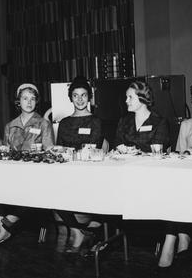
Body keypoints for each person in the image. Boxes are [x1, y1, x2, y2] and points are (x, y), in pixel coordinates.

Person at [158, 80, 192, 270]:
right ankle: (175, 241)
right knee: (173, 190)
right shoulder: (187, 124)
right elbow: (180, 156)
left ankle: (177, 242)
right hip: (189, 180)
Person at [0, 83, 54, 245]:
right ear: (18, 101)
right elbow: (5, 151)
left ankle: (9, 221)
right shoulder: (10, 126)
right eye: (25, 98)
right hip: (12, 172)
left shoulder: (43, 124)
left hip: (35, 173)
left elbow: (50, 151)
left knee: (28, 188)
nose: (29, 102)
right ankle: (3, 229)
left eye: (33, 99)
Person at [55, 76, 104, 253]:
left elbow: (94, 148)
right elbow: (59, 148)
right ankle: (78, 231)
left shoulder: (96, 121)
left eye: (84, 95)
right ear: (71, 98)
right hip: (67, 172)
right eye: (76, 95)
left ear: (89, 97)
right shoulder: (64, 123)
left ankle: (83, 228)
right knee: (49, 191)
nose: (80, 99)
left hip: (88, 173)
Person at [115, 81, 170, 153]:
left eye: (130, 97)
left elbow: (157, 150)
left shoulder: (159, 122)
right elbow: (117, 143)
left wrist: (135, 151)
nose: (126, 101)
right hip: (127, 163)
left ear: (142, 99)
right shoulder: (124, 121)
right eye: (126, 97)